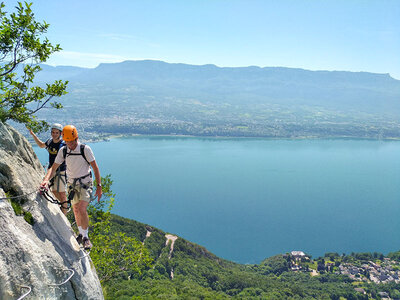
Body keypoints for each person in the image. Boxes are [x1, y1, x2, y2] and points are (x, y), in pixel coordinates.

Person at [40, 125, 102, 250]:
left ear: (76, 138)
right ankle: (80, 233)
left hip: (85, 183)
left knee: (82, 209)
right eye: (67, 142)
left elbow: (95, 167)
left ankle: (85, 237)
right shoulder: (64, 150)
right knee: (75, 210)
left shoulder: (85, 149)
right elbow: (54, 167)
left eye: (72, 142)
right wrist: (46, 180)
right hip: (72, 184)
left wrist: (99, 186)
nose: (70, 144)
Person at [28, 123, 68, 215]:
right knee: (53, 191)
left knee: (62, 193)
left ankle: (64, 213)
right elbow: (42, 145)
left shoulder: (62, 145)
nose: (54, 134)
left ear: (60, 134)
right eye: (53, 132)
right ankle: (63, 205)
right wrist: (33, 135)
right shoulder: (50, 142)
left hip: (60, 171)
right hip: (52, 170)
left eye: (56, 133)